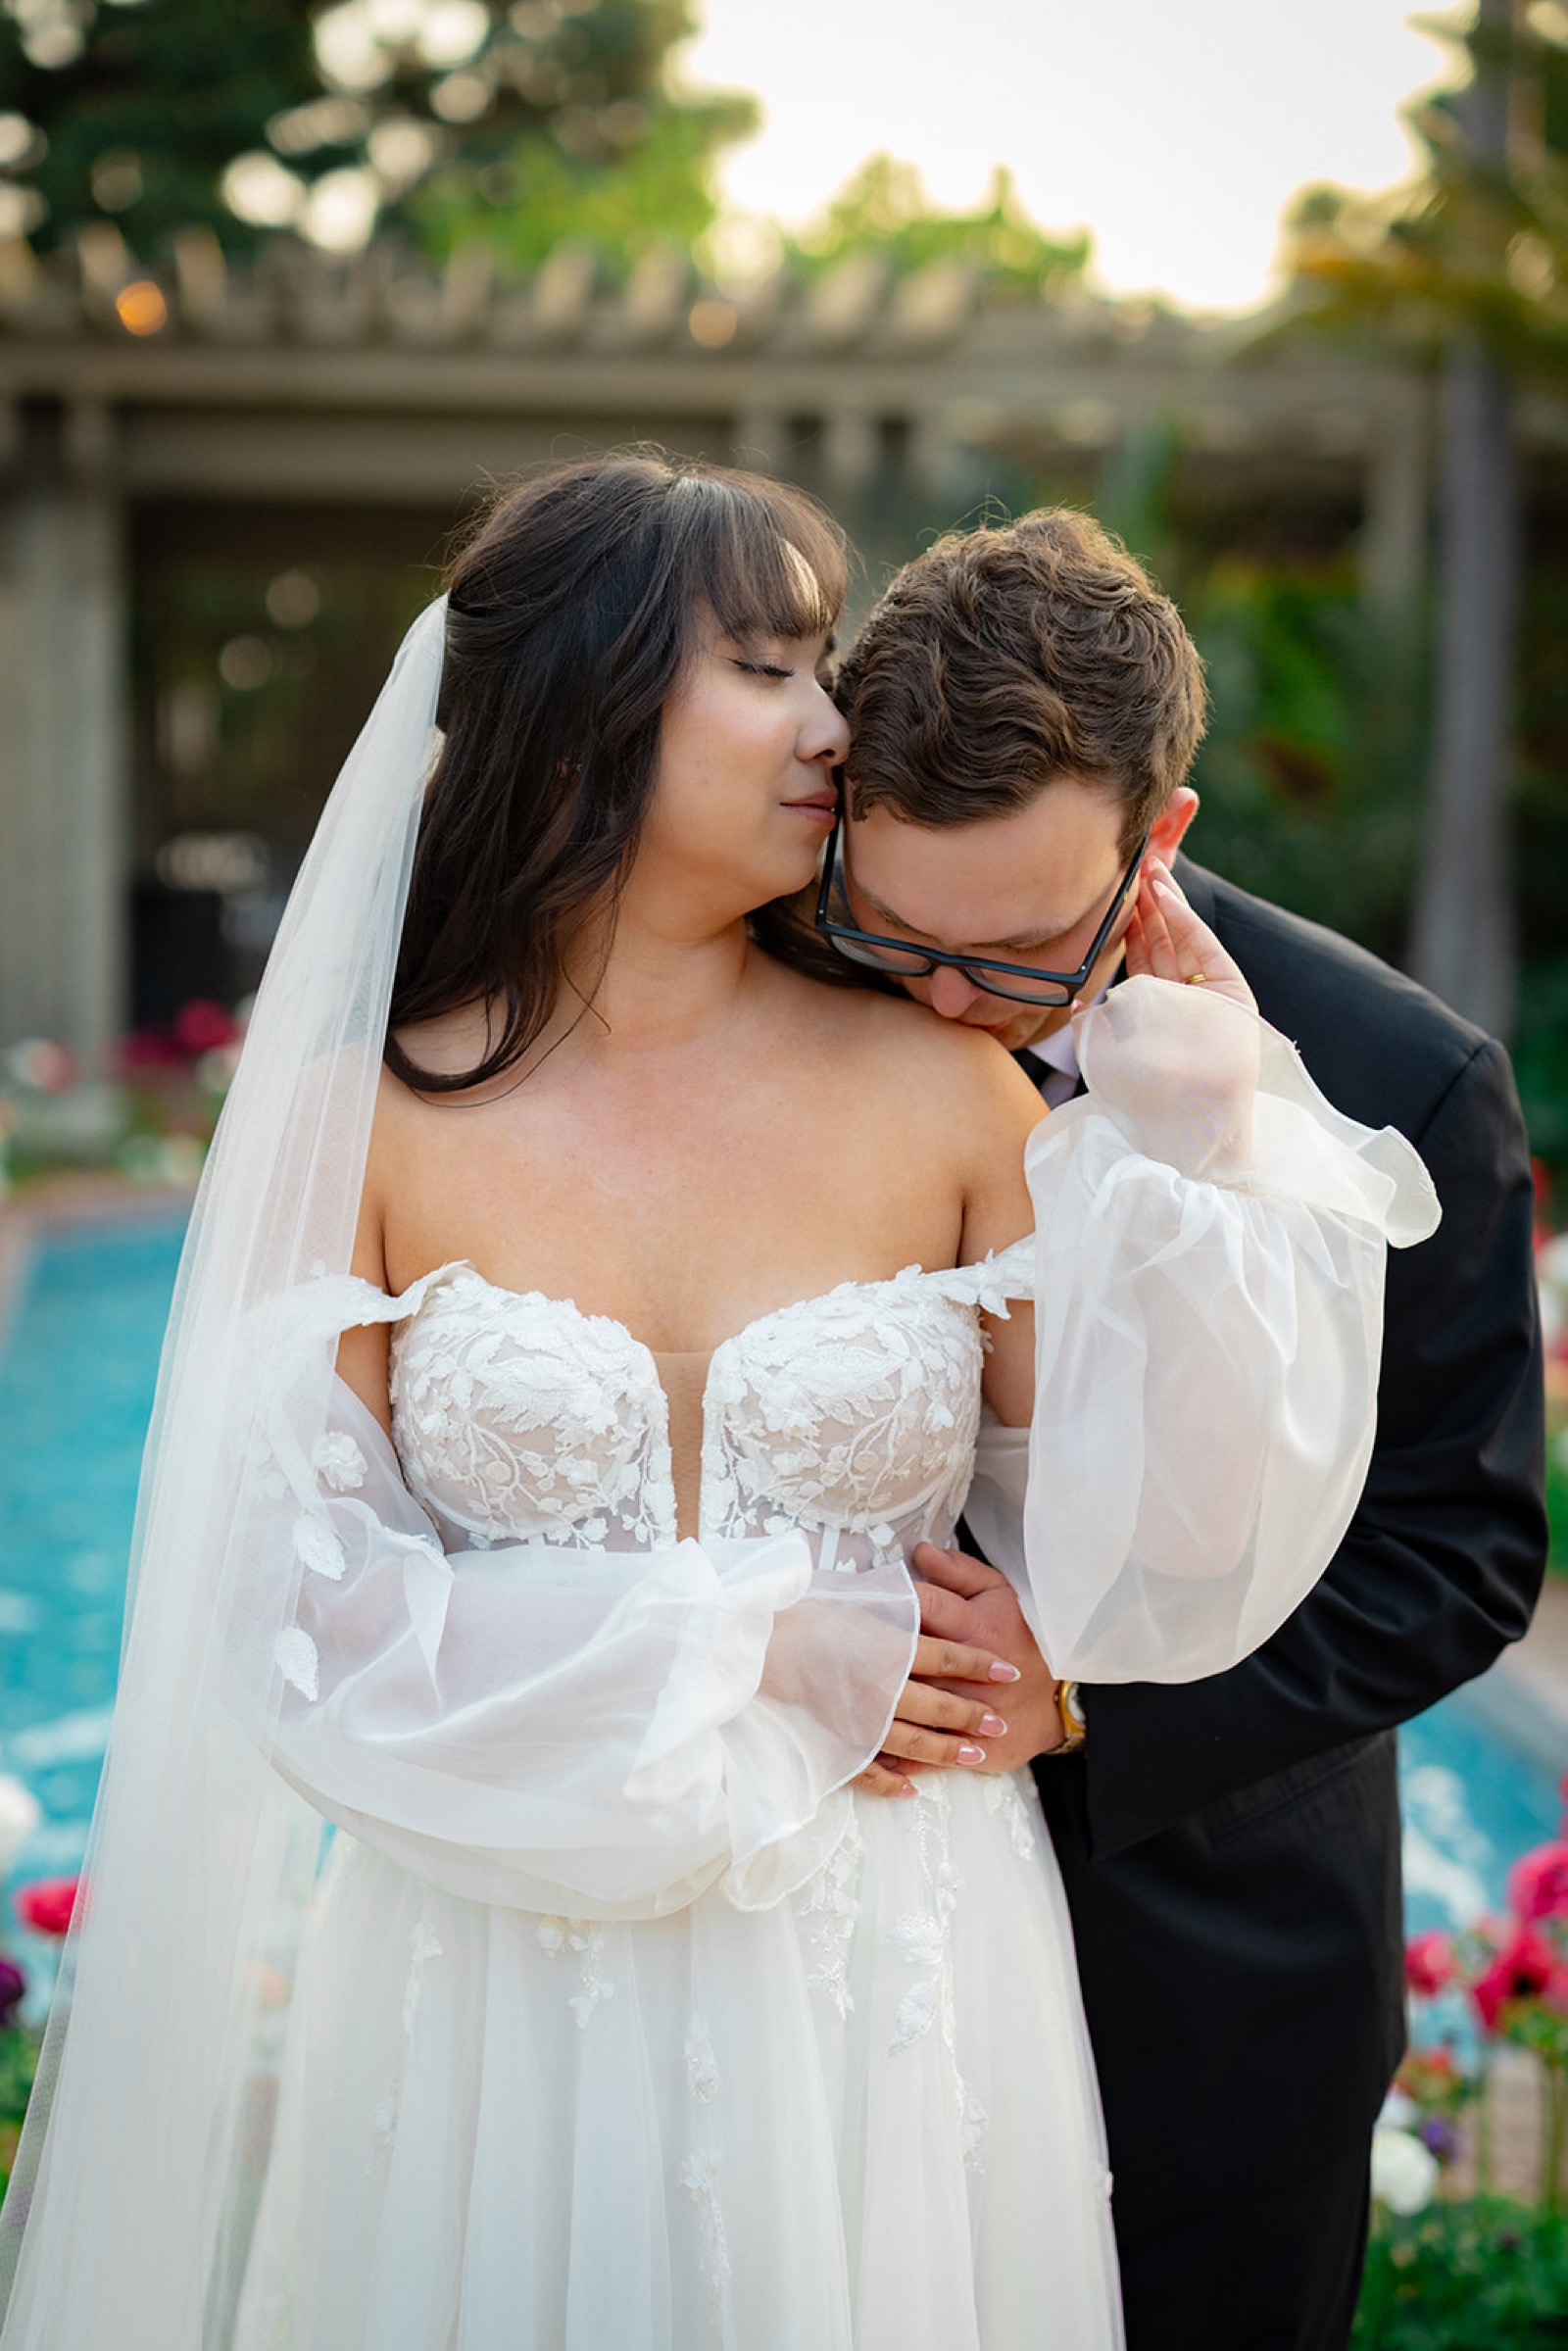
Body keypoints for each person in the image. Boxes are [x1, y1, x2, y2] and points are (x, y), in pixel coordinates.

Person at [0, 459, 1435, 2351]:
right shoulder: (364, 1116)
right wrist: (757, 1636)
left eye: (818, 661)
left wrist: (1193, 1148)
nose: (835, 722)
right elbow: (289, 1621)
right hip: (491, 1969)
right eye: (766, 664)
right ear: (590, 704)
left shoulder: (956, 1096)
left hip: (896, 1970)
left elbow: (1170, 1550)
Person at [818, 506, 1546, 2351]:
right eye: (896, 934)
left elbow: (1459, 1555)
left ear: (1163, 842)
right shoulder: (790, 987)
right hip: (821, 1951)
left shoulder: (1402, 1078)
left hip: (1214, 1966)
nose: (947, 1007)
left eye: (1018, 957)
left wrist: (1078, 1677)